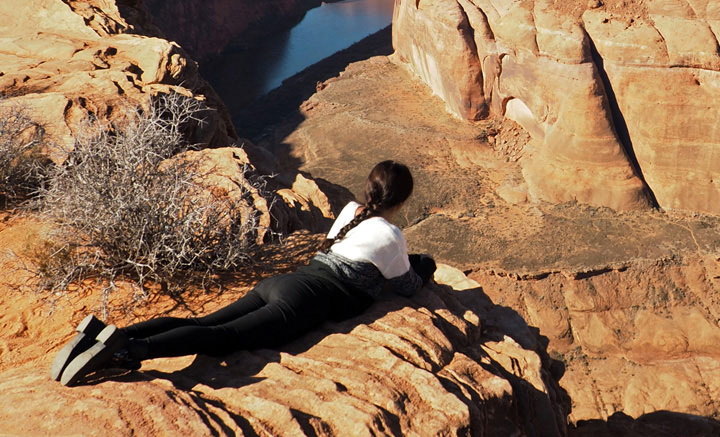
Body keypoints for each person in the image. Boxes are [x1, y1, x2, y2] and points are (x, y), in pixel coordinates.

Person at [51, 160, 436, 386]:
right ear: (402, 201)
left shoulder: (352, 211)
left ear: (370, 189)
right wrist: (425, 264)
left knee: (202, 321)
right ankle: (132, 351)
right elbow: (407, 287)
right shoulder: (391, 234)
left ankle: (117, 333)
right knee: (223, 338)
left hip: (284, 283)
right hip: (304, 301)